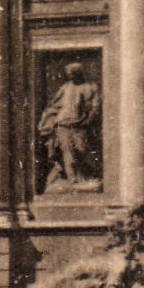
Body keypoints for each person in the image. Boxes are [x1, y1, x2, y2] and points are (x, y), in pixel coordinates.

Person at [38, 62, 101, 191]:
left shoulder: (89, 87)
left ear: (79, 72)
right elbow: (54, 105)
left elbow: (95, 106)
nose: (71, 76)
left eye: (74, 73)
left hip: (80, 125)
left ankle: (84, 177)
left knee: (82, 150)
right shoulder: (65, 88)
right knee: (67, 154)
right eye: (69, 74)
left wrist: (89, 119)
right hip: (63, 124)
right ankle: (74, 180)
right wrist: (51, 120)